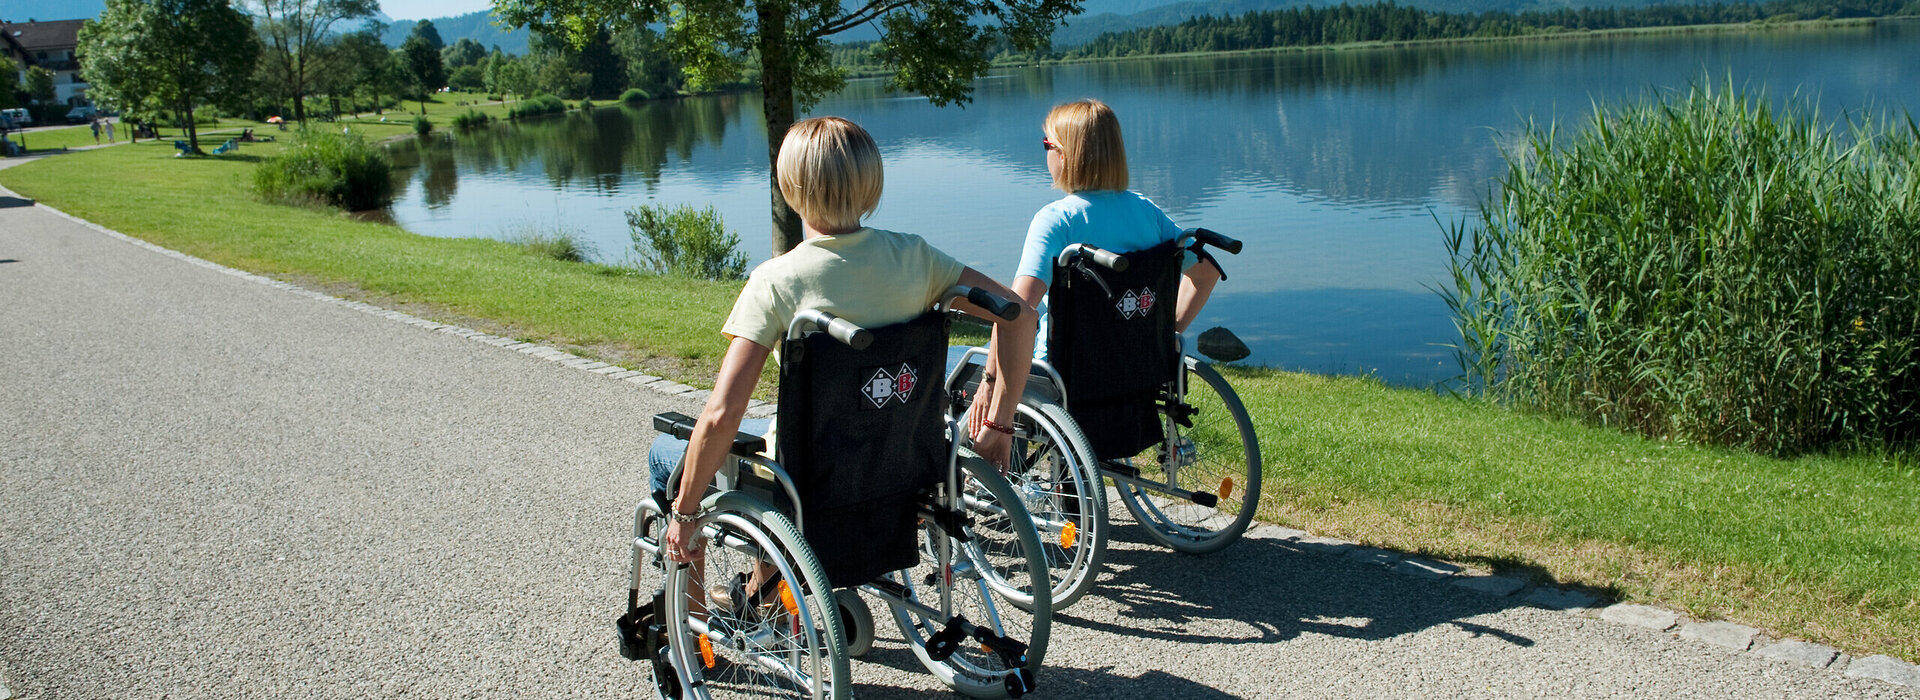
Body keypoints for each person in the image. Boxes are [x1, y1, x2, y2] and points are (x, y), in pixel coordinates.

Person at [651, 116, 1035, 571]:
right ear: (870, 182)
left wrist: (685, 512)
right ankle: (764, 596)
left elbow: (722, 415)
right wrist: (999, 423)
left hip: (809, 480)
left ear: (790, 186)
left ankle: (692, 611)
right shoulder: (917, 257)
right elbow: (1021, 315)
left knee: (665, 456)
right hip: (903, 468)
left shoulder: (775, 281)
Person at [961, 98, 1222, 429]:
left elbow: (1015, 309)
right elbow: (1206, 273)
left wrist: (990, 380)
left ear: (1063, 155)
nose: (1045, 153)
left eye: (1046, 144)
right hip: (1135, 368)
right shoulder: (1147, 212)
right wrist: (1165, 331)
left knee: (958, 373)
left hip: (1063, 378)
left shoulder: (1056, 221)